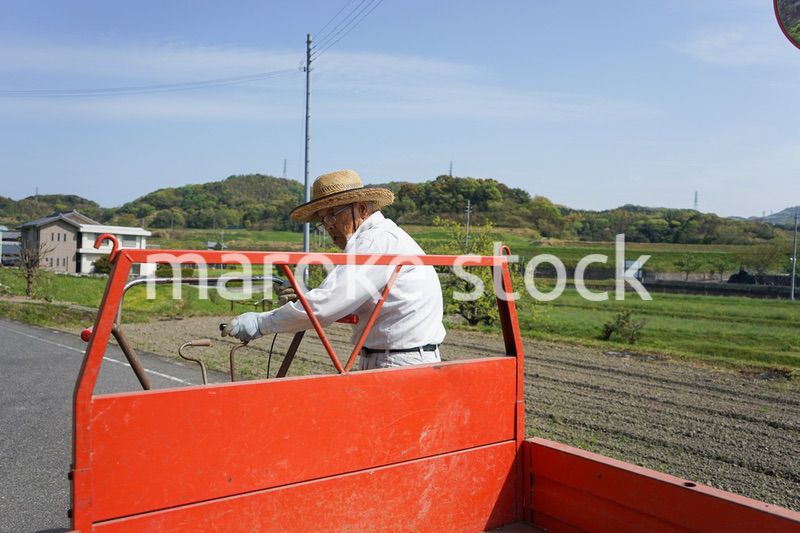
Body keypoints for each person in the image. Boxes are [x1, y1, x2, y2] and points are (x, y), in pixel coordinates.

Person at [227, 169, 446, 369]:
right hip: (401, 358)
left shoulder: (373, 242)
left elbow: (324, 308)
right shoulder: (385, 237)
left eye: (333, 213)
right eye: (323, 219)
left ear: (361, 209)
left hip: (398, 363)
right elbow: (345, 300)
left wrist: (260, 323)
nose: (329, 224)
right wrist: (307, 298)